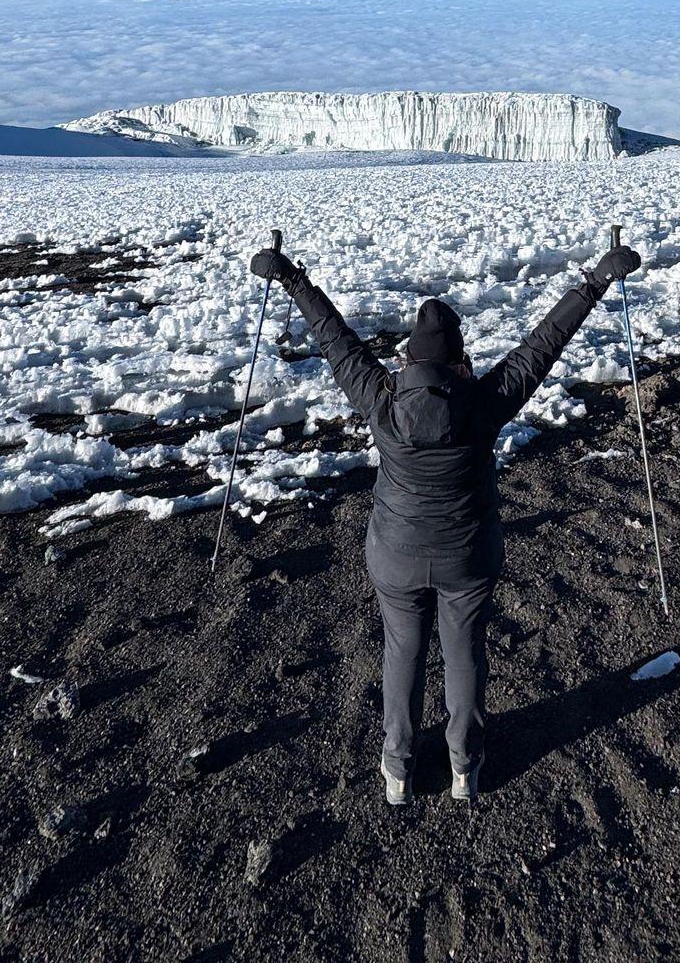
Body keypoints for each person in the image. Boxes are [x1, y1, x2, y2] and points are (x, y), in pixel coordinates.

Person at [249, 238, 642, 805]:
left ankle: (398, 771)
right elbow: (544, 344)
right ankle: (464, 765)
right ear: (459, 359)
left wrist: (290, 278)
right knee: (465, 654)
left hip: (396, 556)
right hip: (468, 557)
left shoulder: (381, 400)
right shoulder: (486, 401)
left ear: (409, 359)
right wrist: (596, 282)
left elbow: (333, 337)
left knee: (402, 652)